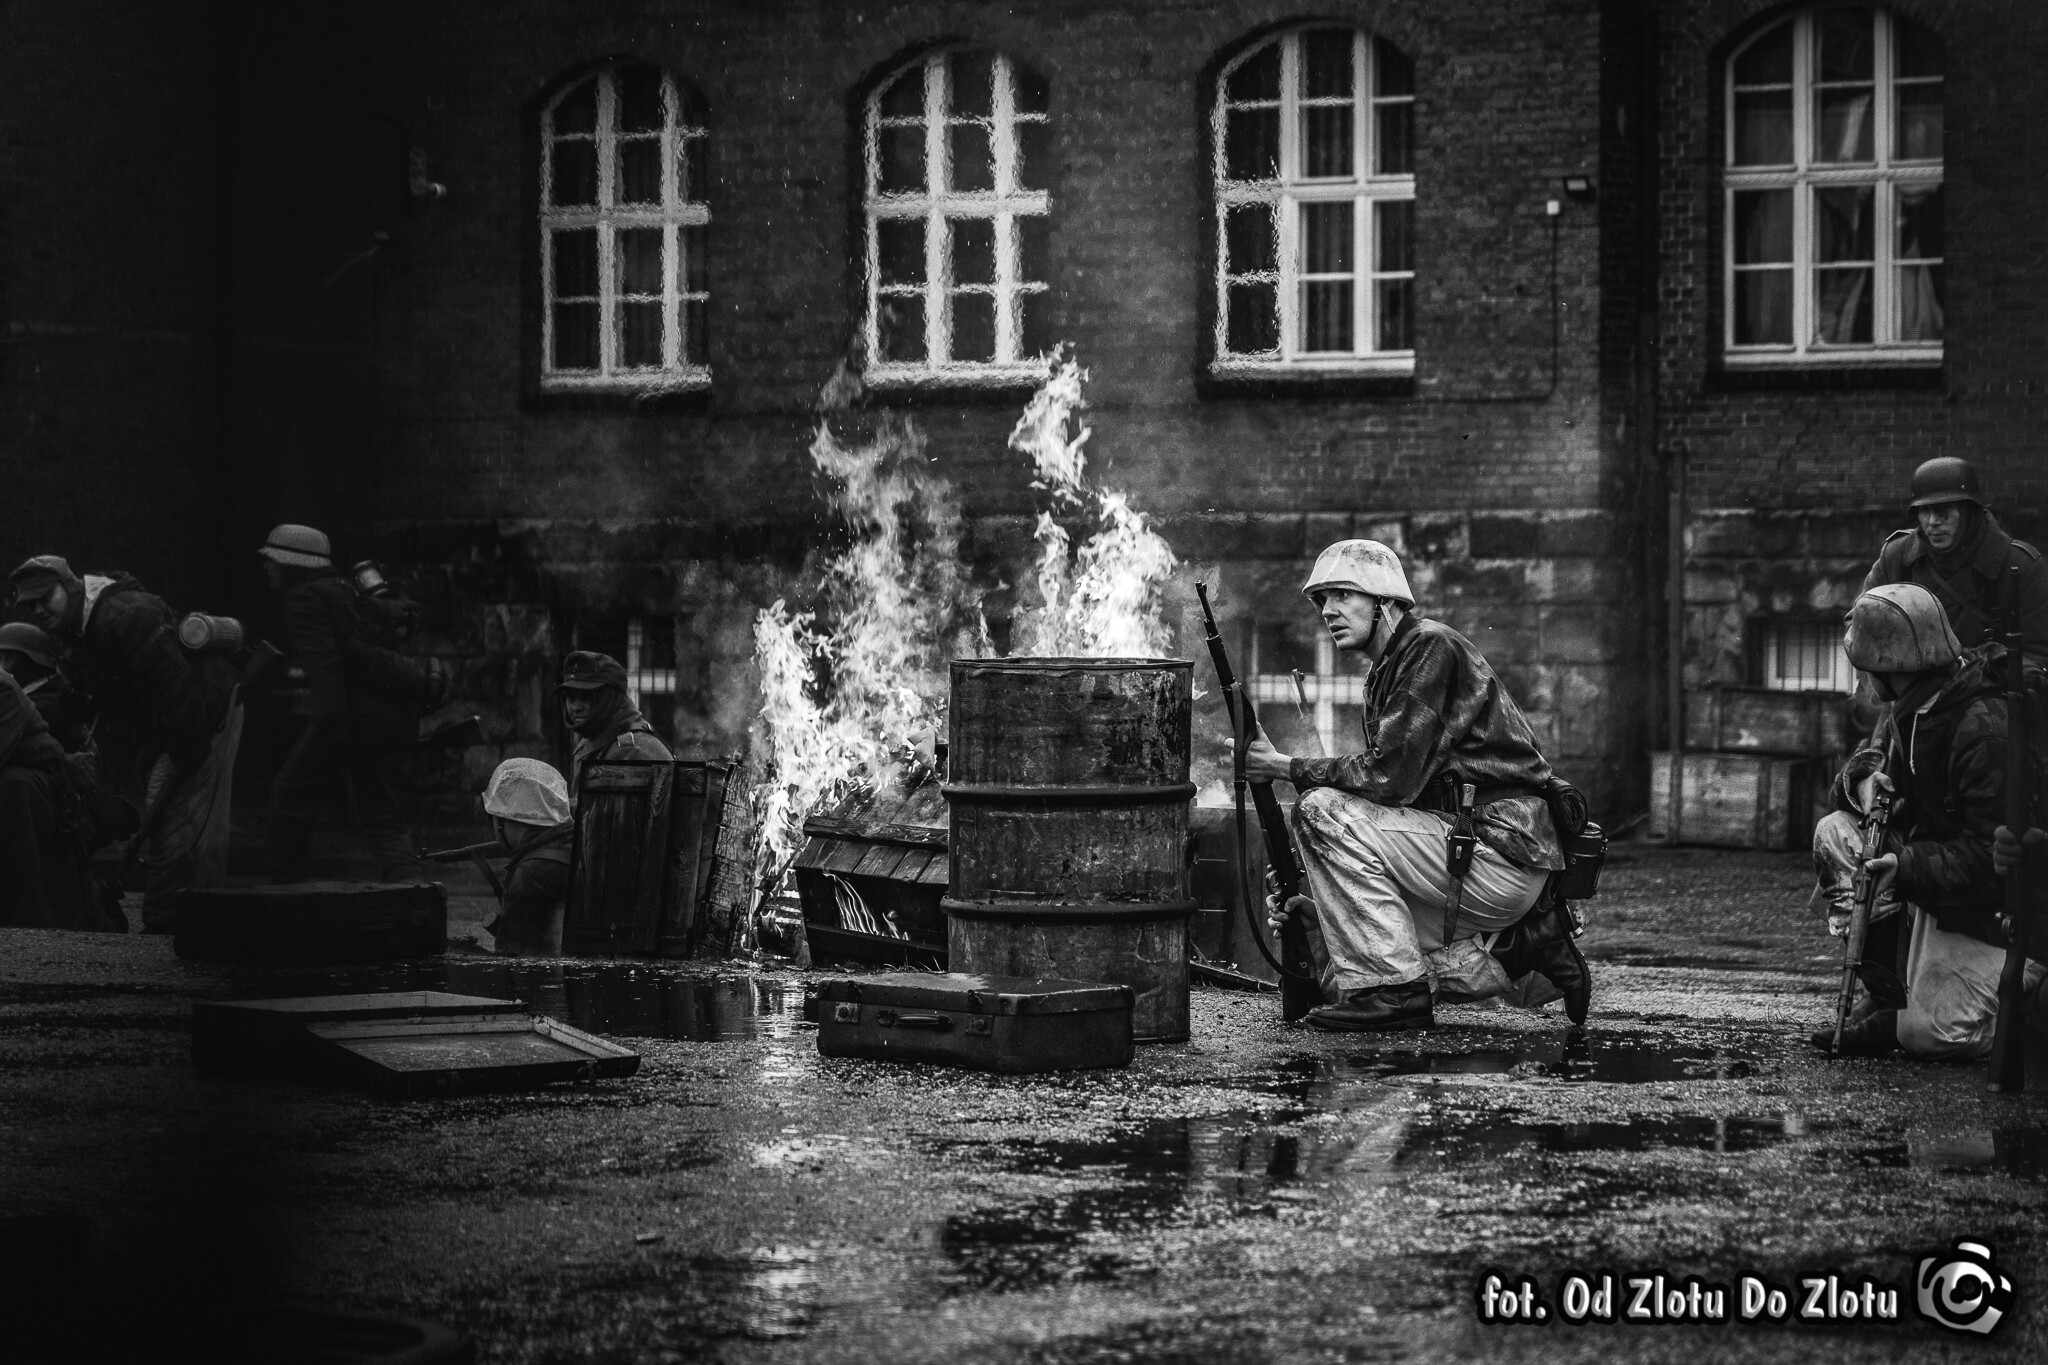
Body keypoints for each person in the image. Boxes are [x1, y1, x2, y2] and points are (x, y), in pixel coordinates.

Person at [1243, 539, 1590, 1032]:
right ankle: (1528, 949)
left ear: (1384, 602)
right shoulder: (1388, 669)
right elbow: (1394, 790)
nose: (1327, 610)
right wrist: (1324, 908)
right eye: (1322, 599)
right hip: (1475, 853)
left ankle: (1398, 993)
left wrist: (1282, 766)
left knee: (1319, 811)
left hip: (1496, 848)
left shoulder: (1428, 647)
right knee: (1344, 961)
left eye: (1343, 594)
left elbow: (1388, 778)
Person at [1812, 584, 2047, 1057]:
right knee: (1835, 831)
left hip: (1999, 917)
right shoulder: (1913, 707)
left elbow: (1991, 860)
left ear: (1890, 667)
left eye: (1868, 669)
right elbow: (1862, 780)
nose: (1864, 680)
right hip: (1942, 895)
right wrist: (1861, 783)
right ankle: (1889, 993)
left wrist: (1904, 866)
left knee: (1928, 1035)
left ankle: (2030, 1009)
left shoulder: (1982, 727)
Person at [10, 555, 242, 933]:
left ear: (69, 586)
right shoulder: (76, 628)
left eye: (44, 597)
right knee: (166, 813)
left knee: (178, 818)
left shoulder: (124, 616)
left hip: (203, 711)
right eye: (30, 604)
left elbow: (173, 680)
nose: (38, 610)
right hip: (166, 722)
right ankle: (180, 917)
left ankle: (176, 920)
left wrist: (188, 748)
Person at [260, 524, 424, 883]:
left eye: (273, 560)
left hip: (349, 717)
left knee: (288, 795)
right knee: (380, 814)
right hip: (387, 716)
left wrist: (333, 723)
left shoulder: (302, 597)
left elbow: (326, 665)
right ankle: (414, 892)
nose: (267, 567)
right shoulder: (344, 589)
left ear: (291, 563)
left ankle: (282, 890)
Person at [1862, 457, 2048, 663]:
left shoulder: (2019, 566)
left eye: (1944, 510)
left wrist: (1977, 672)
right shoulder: (1896, 557)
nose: (1933, 522)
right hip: (1910, 682)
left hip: (1988, 682)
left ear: (1969, 511)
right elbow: (1860, 626)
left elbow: (2037, 657)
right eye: (1925, 511)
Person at [478, 758, 576, 956]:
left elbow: (514, 962)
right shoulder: (578, 845)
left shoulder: (530, 876)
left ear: (504, 818)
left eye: (492, 816)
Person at [557, 650, 671, 796]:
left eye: (586, 697)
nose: (576, 707)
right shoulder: (595, 742)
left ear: (610, 698)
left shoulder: (631, 751)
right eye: (571, 698)